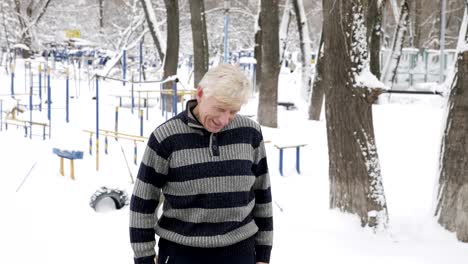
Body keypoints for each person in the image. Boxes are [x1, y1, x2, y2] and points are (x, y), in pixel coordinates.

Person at [129, 64, 273, 264]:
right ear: (200, 94)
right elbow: (143, 203)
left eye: (233, 111)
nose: (224, 120)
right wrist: (144, 258)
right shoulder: (166, 138)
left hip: (240, 253)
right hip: (181, 254)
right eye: (220, 108)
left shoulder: (250, 134)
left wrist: (264, 255)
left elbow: (262, 195)